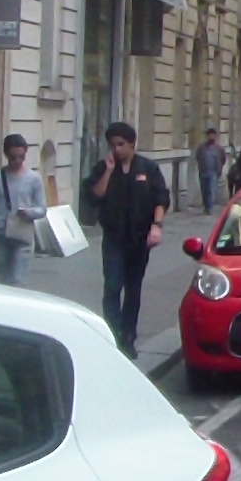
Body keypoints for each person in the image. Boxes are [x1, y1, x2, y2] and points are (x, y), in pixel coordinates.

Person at [82, 122, 170, 357]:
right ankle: (112, 334)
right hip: (114, 237)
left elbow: (161, 197)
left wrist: (157, 226)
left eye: (121, 145)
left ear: (132, 144)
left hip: (139, 238)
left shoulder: (147, 168)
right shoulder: (104, 168)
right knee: (111, 287)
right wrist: (109, 171)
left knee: (133, 289)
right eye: (113, 145)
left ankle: (128, 337)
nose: (117, 150)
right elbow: (94, 195)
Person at [0, 134, 48, 285]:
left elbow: (42, 208)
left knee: (17, 280)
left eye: (21, 157)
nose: (17, 161)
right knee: (4, 279)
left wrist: (29, 213)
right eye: (13, 157)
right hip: (0, 235)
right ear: (6, 155)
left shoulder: (34, 179)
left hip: (22, 234)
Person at [194, 128, 226, 214]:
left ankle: (210, 207)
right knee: (204, 190)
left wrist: (219, 168)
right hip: (203, 171)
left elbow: (223, 159)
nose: (211, 136)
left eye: (213, 135)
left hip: (213, 172)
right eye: (209, 135)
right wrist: (200, 166)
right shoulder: (201, 147)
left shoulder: (219, 148)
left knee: (211, 190)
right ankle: (206, 205)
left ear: (215, 136)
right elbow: (198, 157)